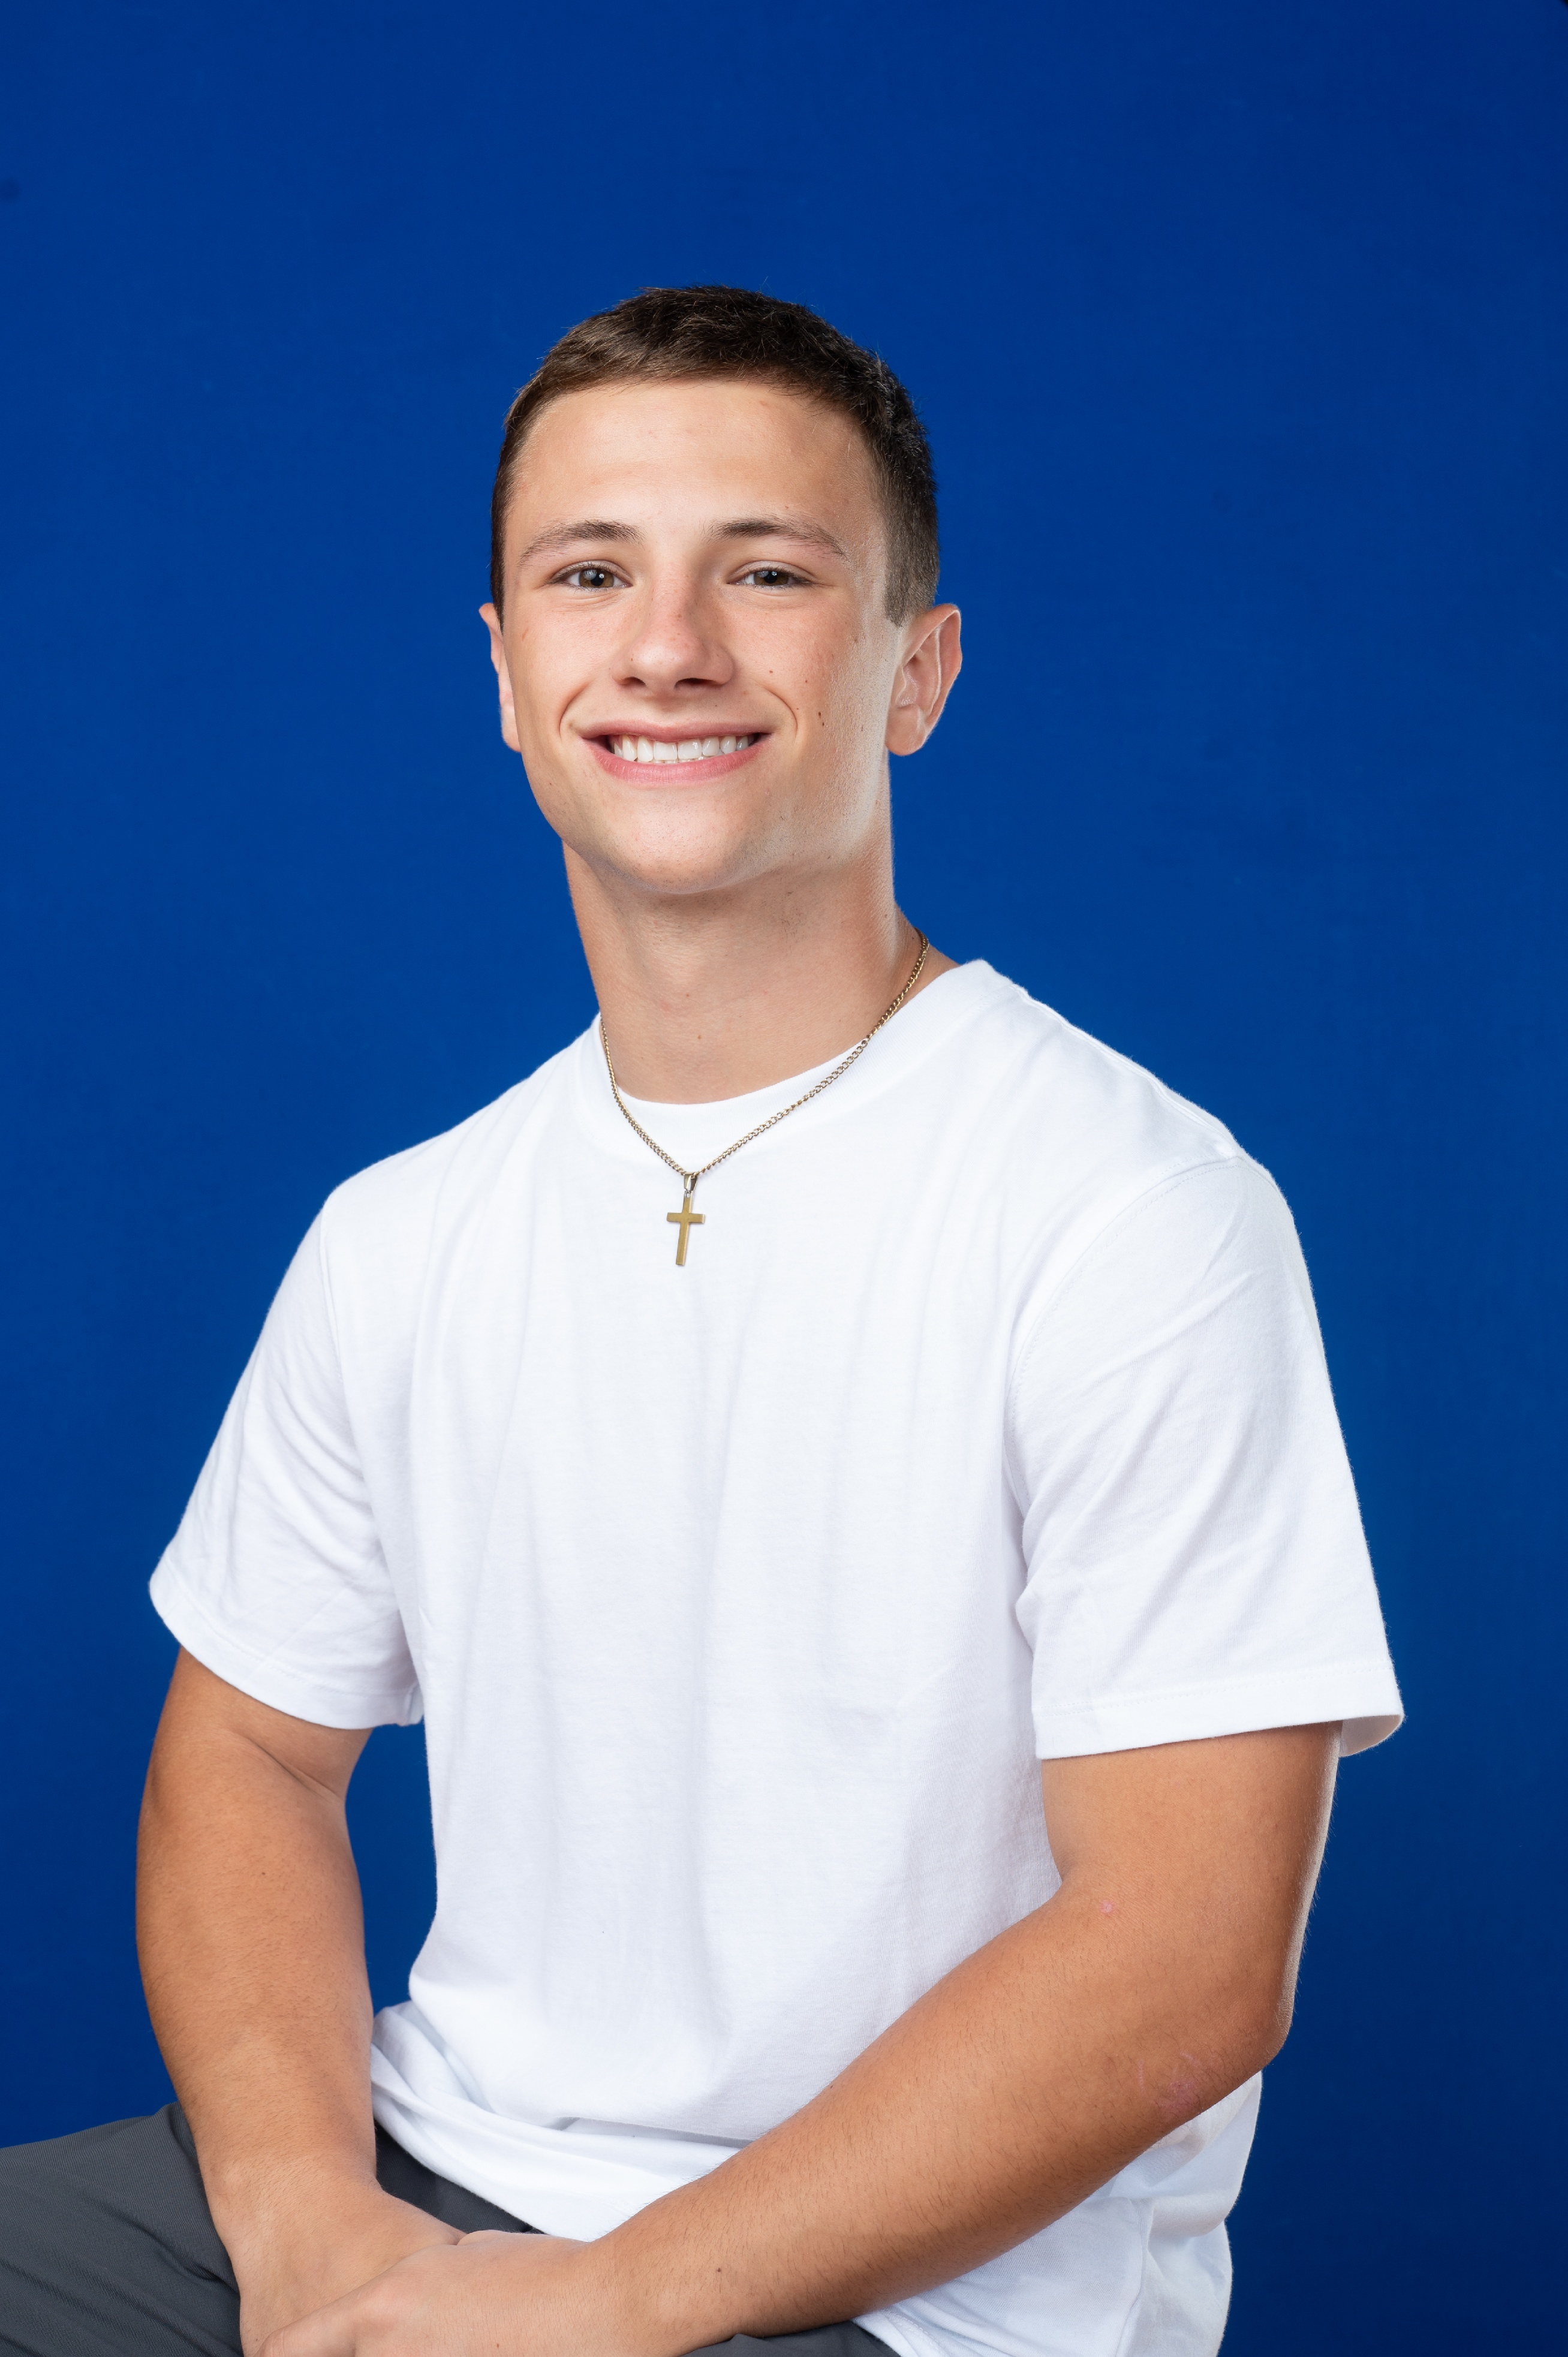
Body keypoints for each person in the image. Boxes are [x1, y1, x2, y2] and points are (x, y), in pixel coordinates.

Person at [0, 285, 1401, 2357]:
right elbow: (252, 1755)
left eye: (766, 571)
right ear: (505, 673)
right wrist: (307, 2231)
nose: (666, 647)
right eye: (592, 575)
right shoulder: (403, 1235)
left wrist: (601, 2306)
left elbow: (1184, 1954)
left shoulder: (1135, 1216)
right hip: (431, 2180)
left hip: (914, 2299)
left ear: (917, 669)